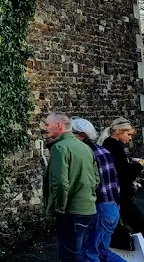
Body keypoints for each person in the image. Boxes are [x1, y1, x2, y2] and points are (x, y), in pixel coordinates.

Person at [44, 112, 99, 262]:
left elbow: (61, 184)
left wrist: (59, 209)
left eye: (47, 124)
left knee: (71, 255)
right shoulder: (85, 147)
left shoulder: (59, 148)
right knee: (84, 252)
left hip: (72, 211)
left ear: (59, 125)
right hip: (88, 209)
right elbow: (96, 178)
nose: (45, 128)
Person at [71, 118, 124, 262]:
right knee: (102, 252)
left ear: (81, 135)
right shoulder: (102, 150)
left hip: (101, 208)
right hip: (111, 206)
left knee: (90, 253)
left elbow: (90, 184)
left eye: (71, 135)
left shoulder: (87, 154)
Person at [99, 118, 144, 248]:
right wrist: (139, 165)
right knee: (140, 226)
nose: (130, 138)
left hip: (113, 195)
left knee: (116, 229)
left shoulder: (107, 144)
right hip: (119, 195)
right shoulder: (115, 147)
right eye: (128, 134)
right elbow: (124, 174)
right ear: (119, 131)